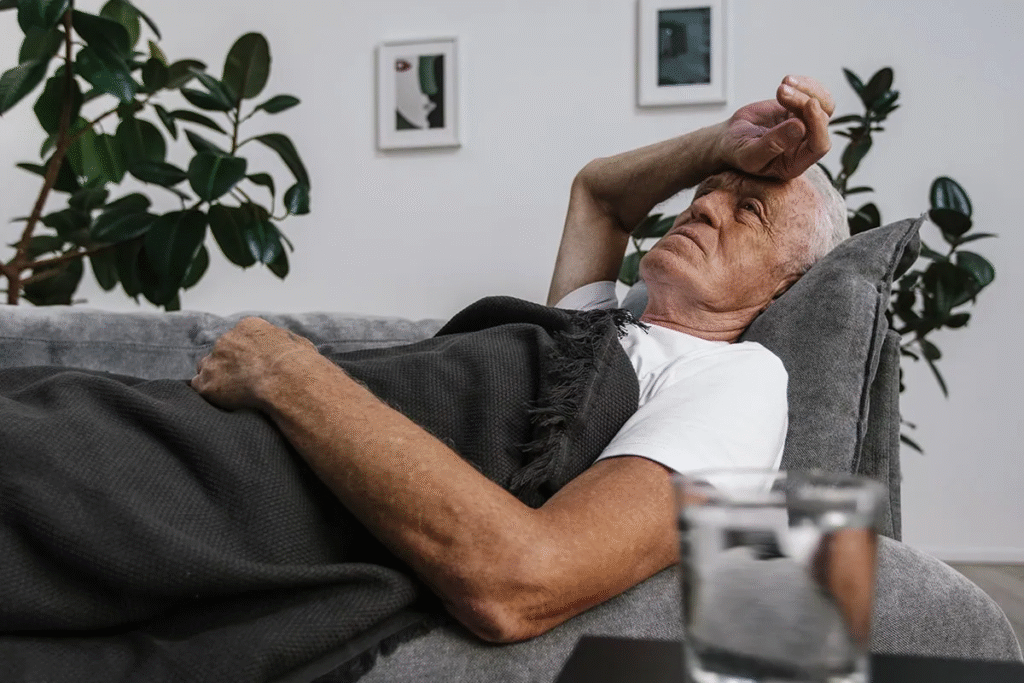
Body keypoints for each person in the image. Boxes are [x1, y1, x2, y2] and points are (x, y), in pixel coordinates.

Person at [190, 74, 844, 644]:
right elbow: (599, 195)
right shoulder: (603, 329)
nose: (703, 205)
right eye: (708, 188)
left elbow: (527, 580)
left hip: (246, 476)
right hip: (218, 435)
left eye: (749, 210)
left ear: (785, 287)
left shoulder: (738, 378)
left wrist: (286, 371)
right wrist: (722, 145)